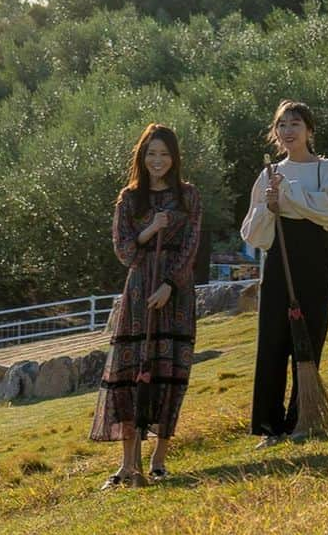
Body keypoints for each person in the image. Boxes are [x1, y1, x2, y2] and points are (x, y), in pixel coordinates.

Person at [90, 123, 202, 487]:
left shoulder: (189, 197)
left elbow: (191, 247)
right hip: (138, 291)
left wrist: (171, 284)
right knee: (131, 371)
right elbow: (124, 251)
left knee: (169, 373)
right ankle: (127, 463)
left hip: (176, 292)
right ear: (142, 156)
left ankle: (159, 459)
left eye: (165, 154)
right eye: (151, 153)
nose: (158, 160)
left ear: (175, 158)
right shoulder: (129, 198)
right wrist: (150, 228)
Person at [241, 100, 328, 445]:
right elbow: (252, 233)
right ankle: (269, 426)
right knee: (272, 339)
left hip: (313, 258)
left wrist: (289, 193)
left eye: (295, 124)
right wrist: (270, 208)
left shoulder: (326, 169)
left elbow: (327, 212)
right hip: (278, 259)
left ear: (309, 130)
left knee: (310, 336)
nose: (288, 131)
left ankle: (303, 417)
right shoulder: (267, 175)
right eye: (282, 125)